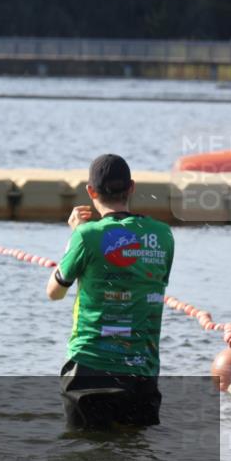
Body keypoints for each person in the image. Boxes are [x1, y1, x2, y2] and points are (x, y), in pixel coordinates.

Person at [46, 154, 174, 430]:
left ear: (91, 191)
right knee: (133, 456)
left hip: (89, 368)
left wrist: (75, 237)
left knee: (81, 456)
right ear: (131, 188)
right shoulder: (163, 235)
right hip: (142, 370)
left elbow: (54, 292)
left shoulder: (85, 235)